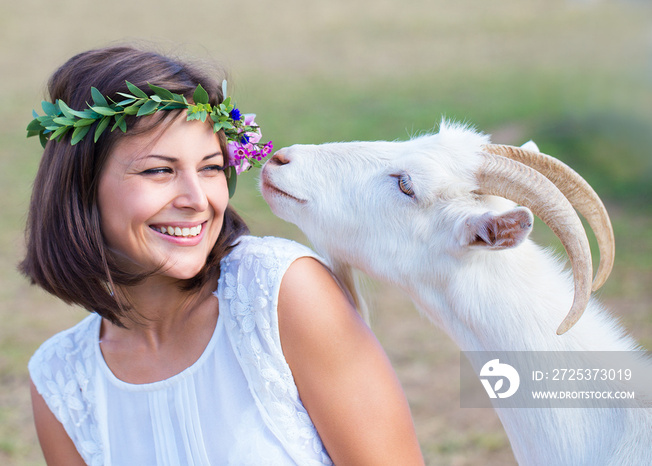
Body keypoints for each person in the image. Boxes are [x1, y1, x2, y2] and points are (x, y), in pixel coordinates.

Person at [21, 45, 424, 465]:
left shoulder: (280, 293)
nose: (198, 200)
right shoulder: (62, 379)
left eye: (211, 167)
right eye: (159, 170)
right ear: (81, 186)